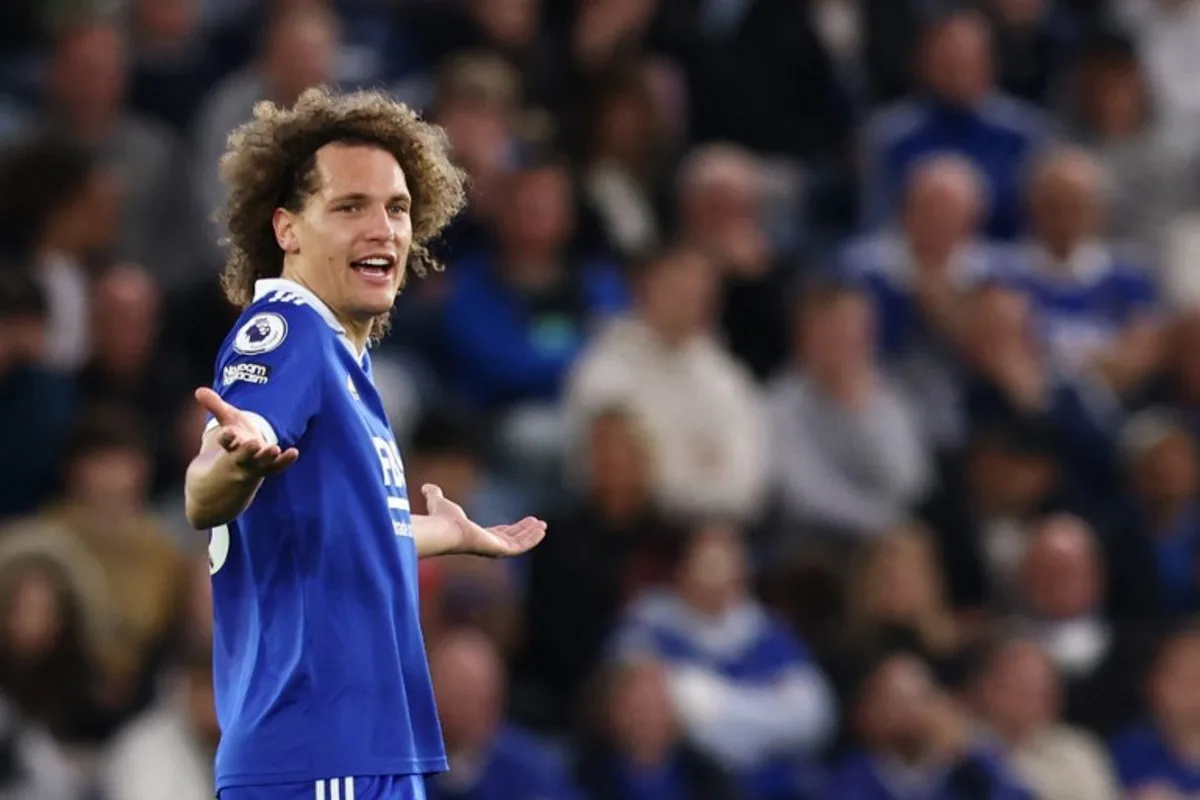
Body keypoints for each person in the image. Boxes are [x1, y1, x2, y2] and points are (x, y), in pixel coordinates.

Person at [183, 87, 548, 800]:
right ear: (287, 228)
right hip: (322, 749)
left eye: (397, 208)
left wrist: (432, 532)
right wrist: (234, 455)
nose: (382, 228)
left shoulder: (344, 364)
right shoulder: (288, 332)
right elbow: (212, 484)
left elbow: (321, 529)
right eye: (350, 207)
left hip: (357, 751)